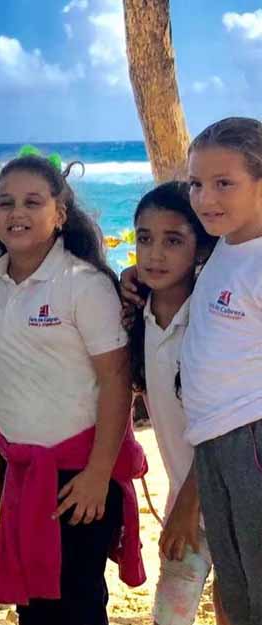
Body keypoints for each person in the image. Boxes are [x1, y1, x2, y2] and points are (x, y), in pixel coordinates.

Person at [0, 151, 146, 625]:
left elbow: (117, 380)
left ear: (59, 214)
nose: (17, 213)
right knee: (32, 602)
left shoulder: (84, 284)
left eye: (33, 202)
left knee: (76, 601)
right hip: (20, 469)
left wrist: (98, 475)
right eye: (5, 202)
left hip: (79, 471)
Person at [125, 182, 227, 625]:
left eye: (173, 240)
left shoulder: (212, 321)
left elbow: (221, 425)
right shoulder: (137, 314)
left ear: (200, 249)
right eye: (144, 238)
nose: (155, 254)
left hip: (226, 495)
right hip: (183, 501)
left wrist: (188, 506)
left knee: (236, 606)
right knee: (170, 614)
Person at [177, 117, 262, 625]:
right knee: (238, 586)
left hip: (251, 439)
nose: (205, 197)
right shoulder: (225, 248)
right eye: (196, 183)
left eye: (223, 183)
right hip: (215, 443)